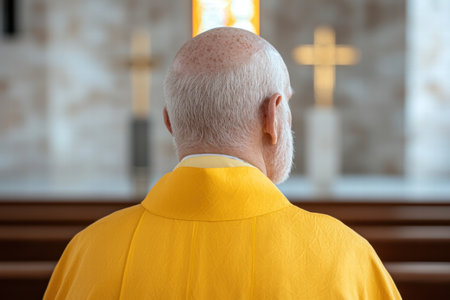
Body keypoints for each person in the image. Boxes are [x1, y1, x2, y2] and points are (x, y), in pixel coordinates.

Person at [44, 27, 401, 299]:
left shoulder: (87, 252)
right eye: (288, 105)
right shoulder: (343, 256)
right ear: (273, 118)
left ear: (169, 121)